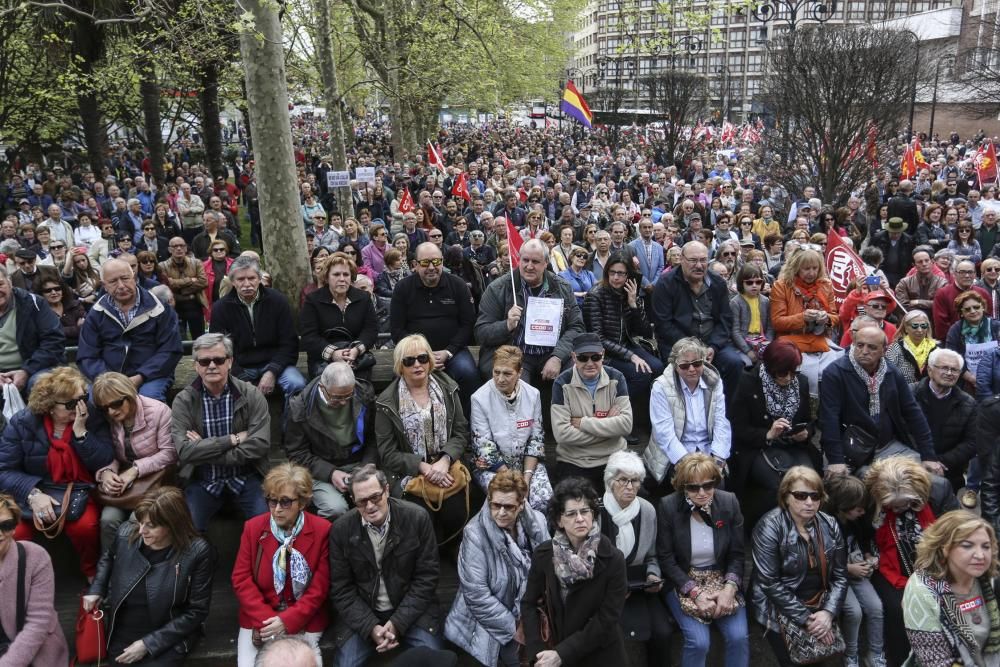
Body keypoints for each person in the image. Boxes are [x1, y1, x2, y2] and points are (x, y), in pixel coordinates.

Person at [83, 486, 216, 666]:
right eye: (140, 522)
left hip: (168, 633)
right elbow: (108, 558)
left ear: (173, 524)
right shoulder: (125, 533)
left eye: (151, 526)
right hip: (124, 628)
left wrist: (148, 644)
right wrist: (97, 588)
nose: (141, 530)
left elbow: (197, 611)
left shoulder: (197, 551)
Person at [0, 366, 112, 580]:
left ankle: (92, 575)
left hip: (77, 488)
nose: (80, 406)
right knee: (17, 533)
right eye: (71, 403)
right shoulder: (23, 423)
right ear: (50, 406)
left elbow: (104, 458)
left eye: (83, 398)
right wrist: (33, 494)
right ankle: (20, 582)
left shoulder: (91, 416)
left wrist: (81, 433)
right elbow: (4, 469)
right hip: (33, 489)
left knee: (85, 527)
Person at [328, 464, 445, 666]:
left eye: (375, 497)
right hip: (363, 614)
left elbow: (427, 579)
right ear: (353, 501)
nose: (370, 506)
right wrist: (370, 626)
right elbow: (341, 589)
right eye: (362, 502)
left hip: (412, 611)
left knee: (432, 658)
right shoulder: (341, 530)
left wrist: (397, 623)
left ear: (387, 490)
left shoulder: (417, 518)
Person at [375, 333, 474, 544]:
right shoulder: (386, 402)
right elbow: (387, 453)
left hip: (447, 465)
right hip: (409, 472)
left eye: (422, 358)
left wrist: (445, 460)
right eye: (409, 361)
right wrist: (424, 468)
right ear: (400, 366)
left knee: (455, 512)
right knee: (421, 517)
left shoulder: (449, 388)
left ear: (430, 360)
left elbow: (461, 432)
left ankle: (450, 550)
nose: (417, 365)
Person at [444, 470, 550, 667]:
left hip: (527, 613)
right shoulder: (475, 535)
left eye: (508, 507)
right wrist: (517, 628)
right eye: (496, 505)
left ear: (521, 505)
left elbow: (549, 569)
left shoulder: (538, 523)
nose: (501, 512)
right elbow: (477, 596)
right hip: (489, 625)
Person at [520, 477, 627, 667]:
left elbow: (607, 618)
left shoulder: (613, 558)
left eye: (585, 511)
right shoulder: (544, 555)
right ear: (559, 521)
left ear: (593, 515)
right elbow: (529, 604)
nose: (579, 519)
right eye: (571, 514)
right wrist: (538, 653)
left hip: (600, 654)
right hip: (554, 651)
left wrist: (562, 653)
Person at [865, 456, 960, 666]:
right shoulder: (870, 493)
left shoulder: (939, 488)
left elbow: (958, 530)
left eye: (905, 504)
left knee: (949, 601)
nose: (899, 509)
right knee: (898, 608)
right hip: (889, 565)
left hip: (936, 562)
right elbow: (858, 529)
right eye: (893, 506)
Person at [232, 463, 330, 667]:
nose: (277, 509)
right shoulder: (253, 528)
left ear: (302, 502)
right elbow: (241, 579)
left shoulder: (322, 531)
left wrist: (287, 621)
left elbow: (319, 589)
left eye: (285, 502)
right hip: (260, 620)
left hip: (304, 619)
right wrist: (268, 622)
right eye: (272, 501)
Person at [172, 333, 271, 533]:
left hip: (246, 478)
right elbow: (185, 451)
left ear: (230, 362)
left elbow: (260, 444)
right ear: (195, 365)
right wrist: (233, 439)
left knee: (267, 529)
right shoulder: (184, 401)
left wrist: (205, 448)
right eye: (204, 360)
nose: (211, 365)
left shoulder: (251, 395)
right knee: (187, 533)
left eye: (218, 360)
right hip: (203, 481)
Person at [657, 452, 748, 667]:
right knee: (699, 642)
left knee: (738, 637)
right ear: (682, 487)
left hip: (721, 576)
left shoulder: (729, 502)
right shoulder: (668, 506)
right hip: (684, 578)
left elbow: (737, 553)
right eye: (693, 487)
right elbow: (666, 558)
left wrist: (729, 589)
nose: (702, 493)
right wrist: (694, 592)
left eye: (708, 485)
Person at [751, 466, 848, 667]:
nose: (809, 502)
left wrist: (828, 613)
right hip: (779, 607)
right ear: (786, 497)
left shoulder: (829, 524)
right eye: (801, 496)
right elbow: (769, 583)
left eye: (815, 495)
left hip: (819, 603)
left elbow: (840, 576)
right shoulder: (770, 526)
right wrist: (808, 620)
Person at [819, 325, 943, 477]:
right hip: (848, 448)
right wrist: (835, 459)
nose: (864, 351)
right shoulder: (835, 372)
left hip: (886, 446)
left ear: (884, 351)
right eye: (860, 345)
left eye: (872, 347)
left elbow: (912, 412)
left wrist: (928, 455)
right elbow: (829, 418)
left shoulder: (891, 372)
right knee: (852, 489)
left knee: (931, 477)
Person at [729, 340, 818, 526]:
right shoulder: (748, 382)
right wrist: (768, 434)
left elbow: (809, 421)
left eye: (793, 372)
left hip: (793, 445)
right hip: (758, 447)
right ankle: (769, 529)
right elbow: (738, 428)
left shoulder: (800, 382)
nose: (788, 378)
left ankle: (803, 527)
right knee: (780, 485)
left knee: (810, 482)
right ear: (770, 368)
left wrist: (805, 433)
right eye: (782, 372)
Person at [474, 238, 584, 383]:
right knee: (517, 388)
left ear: (546, 263)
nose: (529, 266)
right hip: (514, 354)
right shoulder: (498, 288)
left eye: (535, 262)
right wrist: (506, 325)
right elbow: (481, 333)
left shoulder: (562, 287)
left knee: (580, 373)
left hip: (551, 353)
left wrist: (557, 357)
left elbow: (576, 327)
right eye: (525, 260)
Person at [389, 242, 478, 419]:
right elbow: (397, 330)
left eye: (437, 262)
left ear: (442, 262)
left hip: (452, 350)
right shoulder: (403, 288)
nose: (432, 267)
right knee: (398, 381)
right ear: (415, 265)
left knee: (468, 374)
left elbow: (468, 324)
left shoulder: (458, 285)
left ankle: (467, 426)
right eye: (425, 263)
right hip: (415, 353)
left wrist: (449, 351)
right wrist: (423, 356)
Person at [600, 451, 673, 667]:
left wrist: (653, 574)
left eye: (635, 481)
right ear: (610, 482)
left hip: (638, 584)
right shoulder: (595, 511)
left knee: (663, 631)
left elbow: (652, 556)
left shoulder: (647, 510)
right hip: (604, 588)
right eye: (623, 480)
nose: (630, 487)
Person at [77, 257, 183, 402]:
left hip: (152, 375)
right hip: (109, 379)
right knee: (92, 402)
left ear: (134, 277)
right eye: (113, 281)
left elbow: (170, 350)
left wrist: (141, 376)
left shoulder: (159, 307)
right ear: (104, 285)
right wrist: (111, 380)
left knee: (149, 401)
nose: (121, 285)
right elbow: (87, 355)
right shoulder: (96, 313)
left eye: (125, 278)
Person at [92, 371, 177, 551]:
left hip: (157, 481)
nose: (111, 411)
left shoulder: (159, 411)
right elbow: (106, 451)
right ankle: (109, 568)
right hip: (124, 483)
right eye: (104, 407)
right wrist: (107, 472)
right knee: (108, 520)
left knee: (136, 522)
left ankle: (135, 570)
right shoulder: (106, 419)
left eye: (116, 403)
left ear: (130, 395)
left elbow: (169, 453)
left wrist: (135, 470)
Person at [903, 511, 1000, 667]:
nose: (981, 555)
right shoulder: (922, 588)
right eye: (967, 546)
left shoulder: (990, 580)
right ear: (944, 548)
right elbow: (936, 661)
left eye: (986, 546)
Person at [651, 241, 743, 400]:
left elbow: (725, 319)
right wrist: (694, 348)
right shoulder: (666, 283)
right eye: (693, 260)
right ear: (681, 259)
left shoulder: (718, 282)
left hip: (712, 343)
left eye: (703, 260)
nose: (699, 265)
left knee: (734, 363)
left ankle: (726, 413)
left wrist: (713, 346)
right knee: (684, 368)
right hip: (679, 343)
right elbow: (663, 324)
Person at [284, 362, 377, 520]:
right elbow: (297, 453)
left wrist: (368, 464)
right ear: (322, 387)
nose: (343, 402)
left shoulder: (364, 395)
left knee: (379, 498)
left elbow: (374, 437)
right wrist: (331, 473)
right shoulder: (300, 407)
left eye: (348, 396)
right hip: (321, 469)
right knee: (335, 508)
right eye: (337, 397)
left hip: (360, 462)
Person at [210, 256, 306, 405]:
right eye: (241, 279)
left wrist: (272, 372)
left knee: (297, 384)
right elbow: (219, 350)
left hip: (274, 362)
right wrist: (242, 379)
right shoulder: (221, 308)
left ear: (259, 278)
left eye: (251, 278)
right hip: (239, 366)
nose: (247, 284)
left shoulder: (278, 301)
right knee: (219, 389)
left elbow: (289, 343)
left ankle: (291, 427)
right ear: (233, 281)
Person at [583, 253, 664, 431]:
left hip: (626, 345)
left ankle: (652, 418)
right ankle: (619, 418)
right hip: (603, 353)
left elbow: (645, 331)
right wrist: (631, 356)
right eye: (612, 273)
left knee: (658, 367)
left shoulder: (629, 293)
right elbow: (597, 338)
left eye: (621, 273)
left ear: (628, 276)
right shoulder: (595, 295)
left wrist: (633, 303)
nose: (616, 278)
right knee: (640, 374)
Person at [643, 337, 731, 496]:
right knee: (686, 487)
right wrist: (687, 464)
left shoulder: (715, 382)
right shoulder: (661, 387)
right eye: (684, 365)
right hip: (674, 454)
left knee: (718, 487)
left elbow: (721, 422)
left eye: (697, 363)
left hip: (707, 451)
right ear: (675, 367)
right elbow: (664, 433)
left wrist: (718, 459)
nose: (691, 369)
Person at [469, 345, 552, 512]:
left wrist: (526, 478)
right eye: (496, 372)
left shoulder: (533, 394)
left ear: (520, 372)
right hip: (493, 468)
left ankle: (539, 538)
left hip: (526, 465)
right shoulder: (479, 398)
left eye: (507, 373)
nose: (500, 379)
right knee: (508, 501)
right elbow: (485, 447)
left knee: (543, 499)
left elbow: (536, 440)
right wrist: (514, 481)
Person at [550, 333, 633, 492]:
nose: (590, 363)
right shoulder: (562, 383)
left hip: (614, 457)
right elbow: (562, 434)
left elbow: (626, 425)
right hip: (574, 460)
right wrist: (609, 426)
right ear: (573, 357)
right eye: (583, 358)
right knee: (572, 502)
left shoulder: (617, 378)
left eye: (595, 357)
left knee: (635, 496)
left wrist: (584, 423)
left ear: (603, 355)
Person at [822, 475, 886, 667]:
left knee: (876, 607)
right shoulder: (826, 524)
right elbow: (823, 559)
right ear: (843, 505)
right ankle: (851, 655)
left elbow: (864, 538)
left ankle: (875, 653)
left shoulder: (856, 520)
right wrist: (848, 569)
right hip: (837, 576)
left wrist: (868, 556)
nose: (862, 512)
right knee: (854, 612)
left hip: (857, 568)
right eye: (858, 508)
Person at [0, 492, 70, 665]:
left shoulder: (36, 557)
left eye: (6, 525)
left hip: (35, 650)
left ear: (15, 527)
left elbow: (38, 622)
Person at [769, 247, 841, 398]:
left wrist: (826, 318)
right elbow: (777, 322)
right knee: (808, 372)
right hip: (791, 343)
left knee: (837, 368)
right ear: (796, 268)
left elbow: (835, 317)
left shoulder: (826, 285)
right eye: (806, 269)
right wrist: (802, 318)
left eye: (815, 268)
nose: (812, 273)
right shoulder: (781, 286)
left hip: (820, 341)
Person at [912, 348, 978, 502]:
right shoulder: (910, 394)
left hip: (947, 472)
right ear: (929, 370)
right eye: (944, 368)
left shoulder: (968, 403)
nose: (949, 373)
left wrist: (941, 462)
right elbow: (900, 431)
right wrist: (921, 460)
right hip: (912, 466)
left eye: (954, 370)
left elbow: (972, 442)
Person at [299, 253, 378, 379]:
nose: (342, 279)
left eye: (346, 274)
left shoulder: (363, 298)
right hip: (324, 361)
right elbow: (309, 336)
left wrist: (355, 350)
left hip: (356, 359)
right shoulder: (312, 300)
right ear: (326, 277)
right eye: (336, 274)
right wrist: (333, 353)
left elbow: (371, 330)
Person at [0, 266, 65, 393]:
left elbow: (54, 341)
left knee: (42, 385)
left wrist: (26, 371)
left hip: (35, 367)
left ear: (10, 282)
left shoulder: (34, 303)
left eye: (0, 284)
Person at [946, 290, 1000, 390]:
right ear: (961, 313)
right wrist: (972, 379)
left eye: (976, 307)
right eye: (967, 309)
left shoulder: (996, 326)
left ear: (983, 307)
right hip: (966, 382)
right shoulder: (955, 330)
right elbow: (952, 359)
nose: (973, 311)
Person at [159, 237, 208, 340]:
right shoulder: (162, 266)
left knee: (199, 338)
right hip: (175, 306)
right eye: (175, 246)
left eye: (181, 246)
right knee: (179, 339)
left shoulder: (196, 263)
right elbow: (167, 285)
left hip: (194, 304)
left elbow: (203, 282)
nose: (179, 248)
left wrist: (181, 289)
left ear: (186, 248)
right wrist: (190, 280)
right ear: (169, 250)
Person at [933, 259, 992, 341]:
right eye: (962, 272)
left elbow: (988, 319)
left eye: (970, 272)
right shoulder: (942, 293)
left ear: (975, 275)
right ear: (954, 274)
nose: (967, 275)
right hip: (953, 341)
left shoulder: (983, 293)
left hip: (982, 340)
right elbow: (941, 325)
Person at [730, 262, 775, 366]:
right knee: (747, 363)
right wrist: (747, 351)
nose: (754, 286)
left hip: (762, 341)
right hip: (743, 344)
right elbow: (735, 331)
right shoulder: (735, 302)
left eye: (758, 282)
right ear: (741, 283)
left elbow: (770, 327)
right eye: (749, 283)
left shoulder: (765, 301)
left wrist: (767, 344)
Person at [884, 309, 938, 384]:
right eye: (915, 326)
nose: (920, 330)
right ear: (906, 328)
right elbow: (887, 374)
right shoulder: (896, 348)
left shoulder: (936, 349)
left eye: (924, 326)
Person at [894, 247, 947, 320]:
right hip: (911, 321)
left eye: (926, 260)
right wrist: (930, 304)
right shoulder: (904, 282)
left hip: (935, 321)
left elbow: (942, 304)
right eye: (920, 262)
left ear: (932, 262)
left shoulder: (942, 282)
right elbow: (902, 305)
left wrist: (917, 302)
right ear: (914, 265)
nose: (924, 264)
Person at [35, 275, 85, 344]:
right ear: (41, 294)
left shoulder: (75, 305)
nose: (53, 293)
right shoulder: (39, 312)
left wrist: (56, 330)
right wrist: (75, 328)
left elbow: (85, 328)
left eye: (57, 289)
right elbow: (45, 334)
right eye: (48, 290)